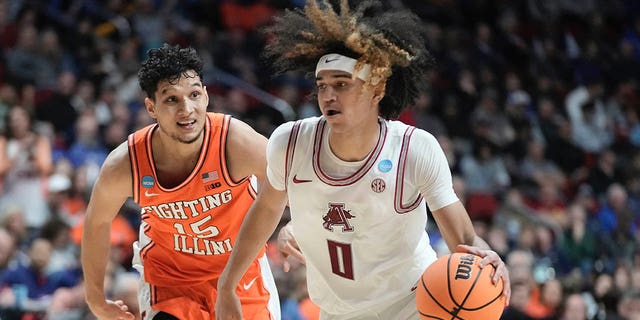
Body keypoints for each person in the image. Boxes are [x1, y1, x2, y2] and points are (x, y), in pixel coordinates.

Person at [216, 1, 511, 319]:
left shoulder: (414, 149)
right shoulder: (290, 143)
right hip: (335, 311)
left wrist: (488, 258)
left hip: (412, 304)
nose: (328, 96)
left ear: (377, 88)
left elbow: (465, 240)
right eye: (322, 86)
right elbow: (267, 209)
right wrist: (227, 284)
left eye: (341, 85)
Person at [81, 44, 280, 320]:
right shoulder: (126, 164)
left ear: (206, 96)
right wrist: (95, 299)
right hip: (170, 281)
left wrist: (294, 224)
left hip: (239, 274)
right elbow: (97, 222)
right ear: (151, 107)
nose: (187, 109)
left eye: (194, 95)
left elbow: (287, 181)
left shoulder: (235, 142)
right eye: (172, 100)